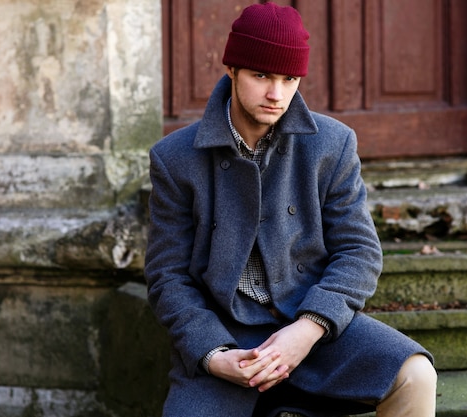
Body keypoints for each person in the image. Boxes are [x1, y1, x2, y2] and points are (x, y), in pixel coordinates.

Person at [145, 2, 437, 416]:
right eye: (261, 75)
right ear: (232, 70)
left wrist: (308, 328)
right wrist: (213, 355)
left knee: (416, 375)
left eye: (289, 78)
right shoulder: (175, 159)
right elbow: (167, 277)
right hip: (227, 338)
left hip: (315, 329)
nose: (275, 94)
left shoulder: (332, 145)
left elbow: (359, 252)